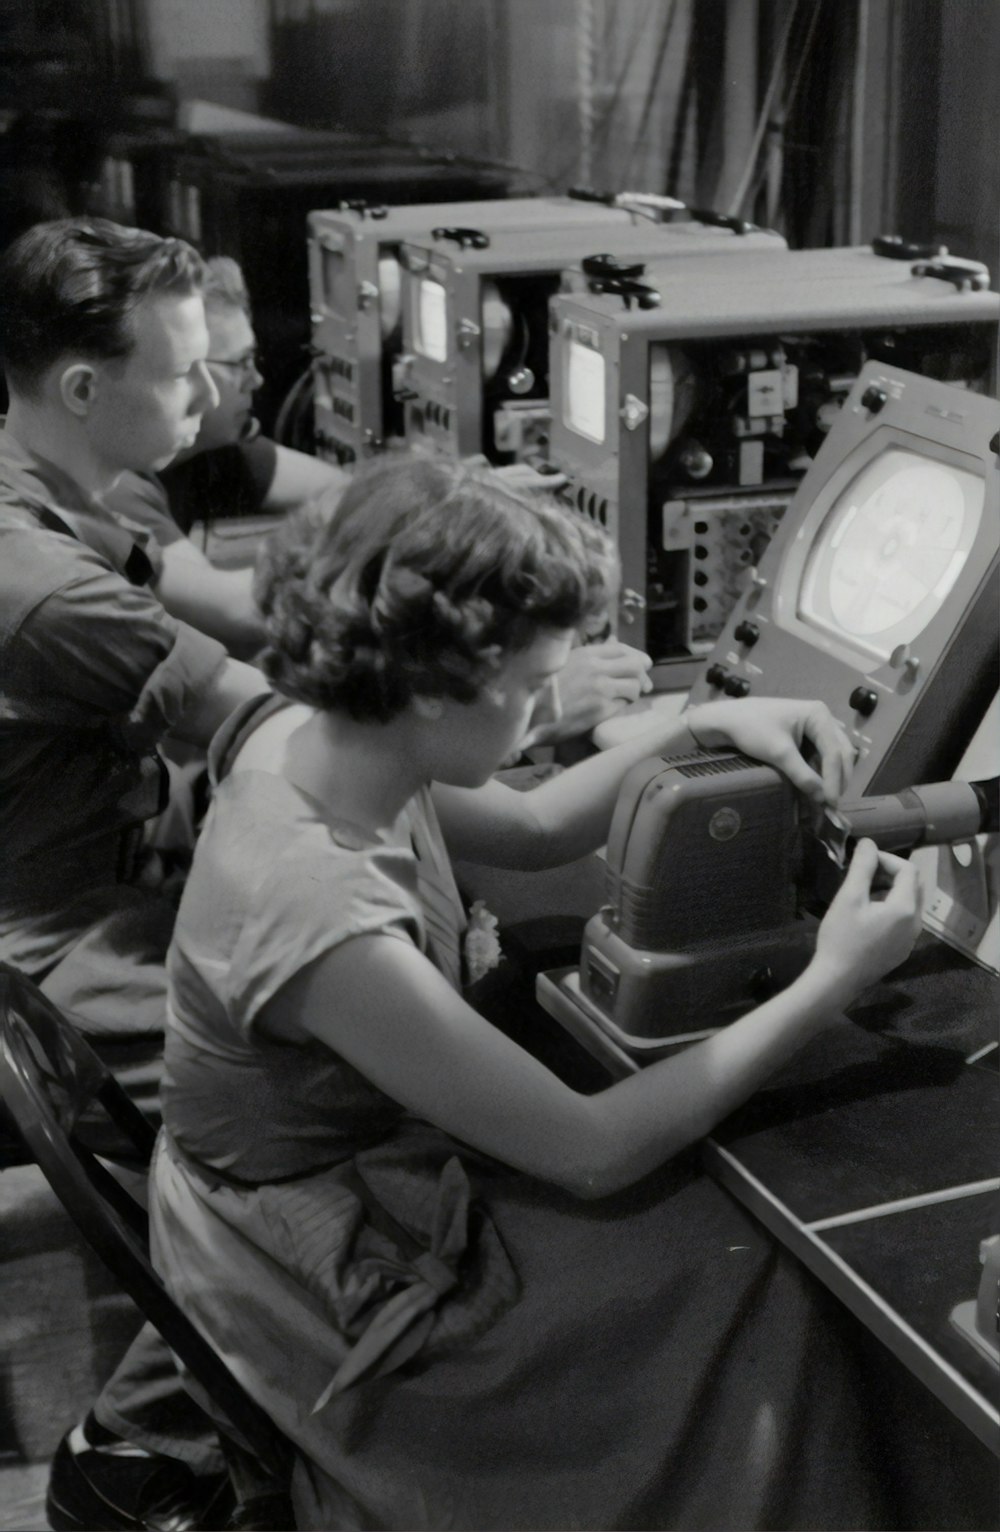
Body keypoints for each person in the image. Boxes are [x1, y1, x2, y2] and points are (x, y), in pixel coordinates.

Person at [149, 453, 923, 1531]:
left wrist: (700, 723)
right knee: (747, 1278)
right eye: (527, 684)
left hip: (338, 1165)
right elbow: (590, 1149)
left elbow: (533, 824)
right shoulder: (315, 911)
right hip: (306, 1263)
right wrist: (832, 978)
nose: (540, 707)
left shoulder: (323, 738)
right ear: (429, 686)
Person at [0, 216, 269, 1531]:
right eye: (182, 375)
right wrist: (557, 730)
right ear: (86, 389)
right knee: (314, 1138)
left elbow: (226, 610)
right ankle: (141, 1450)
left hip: (80, 895)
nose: (208, 396)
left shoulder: (47, 485)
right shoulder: (44, 589)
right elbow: (272, 729)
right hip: (74, 954)